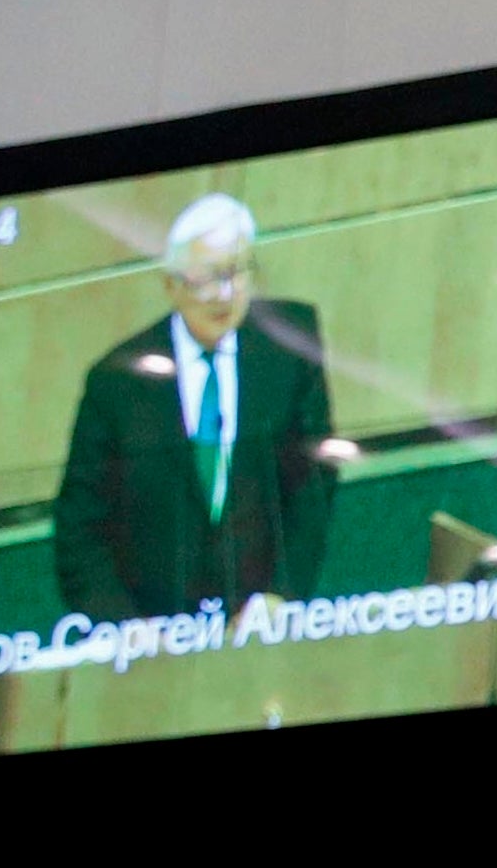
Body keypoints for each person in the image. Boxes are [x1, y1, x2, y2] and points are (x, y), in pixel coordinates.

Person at [49, 193, 339, 621]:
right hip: (154, 639)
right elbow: (80, 528)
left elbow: (313, 487)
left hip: (260, 629)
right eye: (206, 279)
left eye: (236, 273)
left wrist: (282, 597)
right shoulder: (117, 382)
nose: (223, 294)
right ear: (171, 285)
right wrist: (123, 626)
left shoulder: (289, 344)